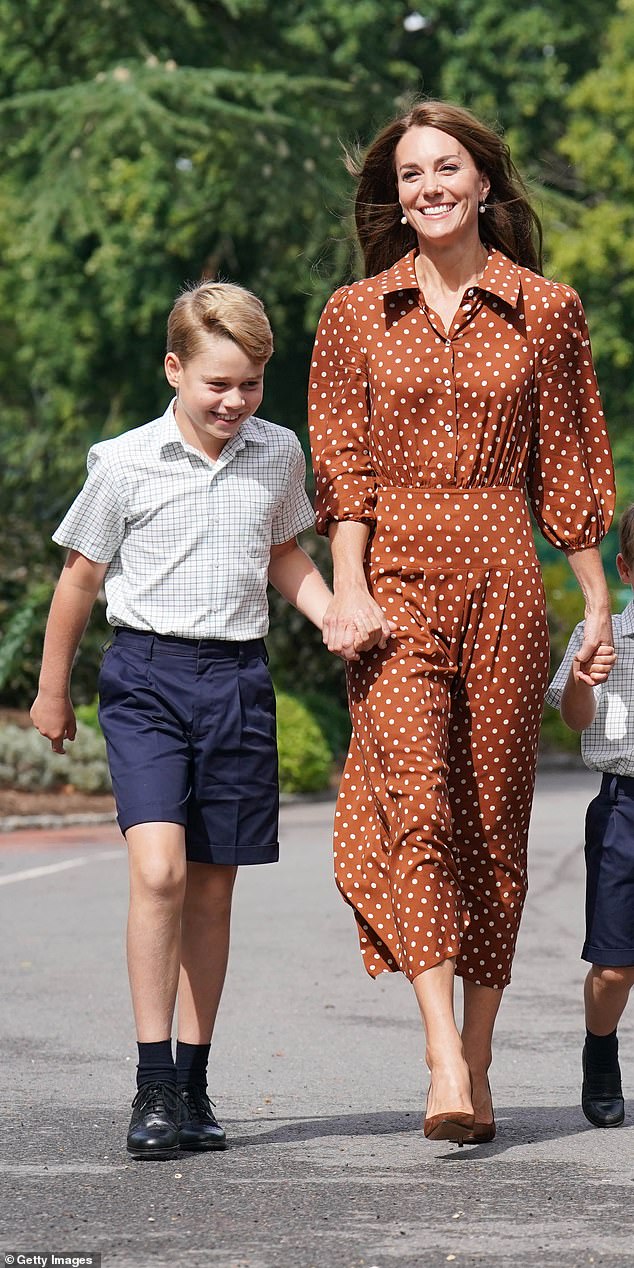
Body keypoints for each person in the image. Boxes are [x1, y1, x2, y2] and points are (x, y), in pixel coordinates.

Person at [308, 99, 615, 1144]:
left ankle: (477, 1054)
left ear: (484, 181)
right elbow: (341, 472)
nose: (428, 187)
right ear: (394, 197)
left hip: (503, 577)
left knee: (491, 823)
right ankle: (441, 1047)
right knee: (419, 805)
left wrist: (597, 602)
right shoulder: (354, 312)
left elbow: (569, 462)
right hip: (393, 583)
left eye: (447, 168)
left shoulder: (548, 308)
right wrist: (345, 586)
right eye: (409, 175)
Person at [30, 280, 360, 1161]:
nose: (234, 401)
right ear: (174, 369)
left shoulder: (277, 453)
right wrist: (53, 688)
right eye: (217, 382)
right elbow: (79, 580)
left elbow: (284, 554)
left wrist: (329, 611)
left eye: (250, 383)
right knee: (163, 872)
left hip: (238, 681)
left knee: (214, 885)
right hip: (146, 678)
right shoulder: (124, 461)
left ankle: (195, 1079)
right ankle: (149, 1085)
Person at [545, 506, 634, 1129]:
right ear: (626, 569)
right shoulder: (603, 638)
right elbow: (575, 718)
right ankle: (600, 1050)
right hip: (625, 804)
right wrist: (581, 679)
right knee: (614, 965)